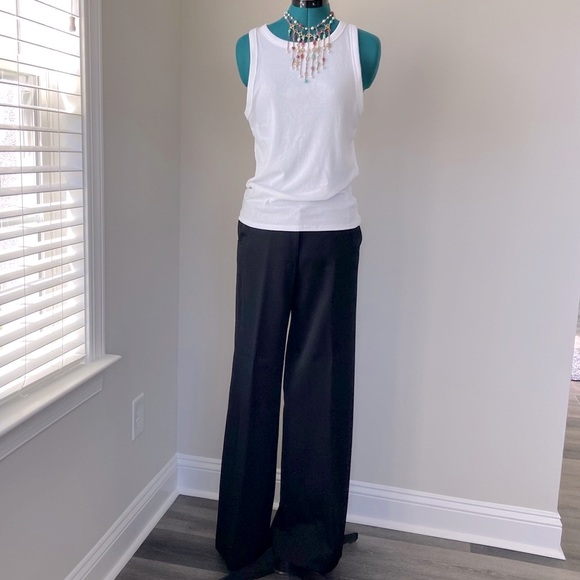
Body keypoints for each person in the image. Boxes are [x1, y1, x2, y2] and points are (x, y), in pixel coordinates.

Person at [215, 1, 380, 578]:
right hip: (265, 227)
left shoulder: (362, 47)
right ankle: (243, 540)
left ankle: (311, 538)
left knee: (322, 389)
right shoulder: (252, 48)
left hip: (333, 230)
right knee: (253, 377)